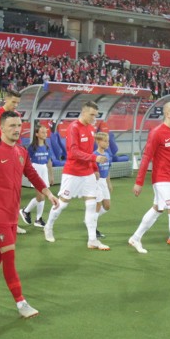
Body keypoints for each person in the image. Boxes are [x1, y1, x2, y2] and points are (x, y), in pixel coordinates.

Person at [0, 110, 59, 319]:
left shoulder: (21, 151)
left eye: (19, 126)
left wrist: (48, 193)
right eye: (12, 126)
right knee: (9, 255)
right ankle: (20, 303)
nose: (17, 130)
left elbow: (31, 173)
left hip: (12, 211)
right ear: (1, 128)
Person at [128, 102, 170, 264]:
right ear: (167, 113)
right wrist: (139, 182)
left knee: (157, 209)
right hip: (160, 180)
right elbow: (146, 158)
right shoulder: (156, 133)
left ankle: (135, 238)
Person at [42, 101, 109, 249]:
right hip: (72, 173)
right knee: (63, 203)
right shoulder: (73, 128)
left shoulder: (91, 129)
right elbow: (73, 152)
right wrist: (94, 159)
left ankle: (92, 240)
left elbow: (89, 151)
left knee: (91, 204)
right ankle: (48, 226)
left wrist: (94, 168)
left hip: (88, 173)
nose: (94, 118)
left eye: (95, 115)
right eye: (91, 114)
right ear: (83, 112)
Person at [20, 122, 53, 228]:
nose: (45, 133)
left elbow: (49, 162)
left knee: (42, 196)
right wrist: (28, 174)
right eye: (42, 132)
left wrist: (51, 175)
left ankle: (35, 216)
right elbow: (26, 161)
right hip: (36, 170)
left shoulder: (47, 147)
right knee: (41, 196)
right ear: (37, 134)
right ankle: (28, 212)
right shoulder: (31, 148)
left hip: (44, 170)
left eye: (45, 131)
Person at [93, 131, 114, 240]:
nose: (107, 143)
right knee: (97, 206)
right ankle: (93, 228)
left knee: (107, 206)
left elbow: (108, 169)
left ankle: (91, 219)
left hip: (104, 182)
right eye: (105, 141)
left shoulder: (107, 155)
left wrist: (109, 183)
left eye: (108, 141)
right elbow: (90, 170)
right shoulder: (94, 155)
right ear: (98, 141)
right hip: (95, 183)